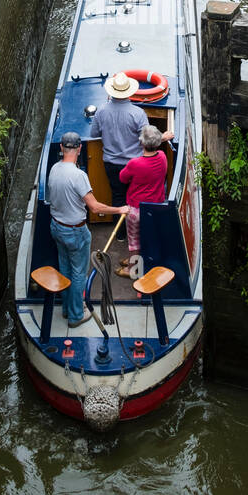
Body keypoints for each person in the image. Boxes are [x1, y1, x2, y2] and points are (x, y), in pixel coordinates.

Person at [45, 131, 122, 327]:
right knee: (79, 272)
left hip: (56, 227)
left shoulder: (54, 169)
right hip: (75, 232)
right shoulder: (79, 176)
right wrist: (120, 209)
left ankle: (65, 309)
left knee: (65, 269)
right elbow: (95, 207)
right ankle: (76, 315)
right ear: (80, 149)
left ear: (62, 148)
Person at [89, 72, 173, 243]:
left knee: (118, 196)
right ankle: (142, 233)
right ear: (129, 92)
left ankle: (120, 235)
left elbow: (94, 133)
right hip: (134, 163)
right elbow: (148, 137)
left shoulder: (101, 112)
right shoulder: (138, 113)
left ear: (111, 91)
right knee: (137, 197)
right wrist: (164, 137)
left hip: (111, 163)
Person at [117, 125, 168, 276]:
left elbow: (122, 178)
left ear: (141, 143)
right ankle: (140, 261)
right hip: (155, 207)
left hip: (136, 209)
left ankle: (132, 269)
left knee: (134, 241)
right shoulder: (163, 156)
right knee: (149, 236)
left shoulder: (135, 163)